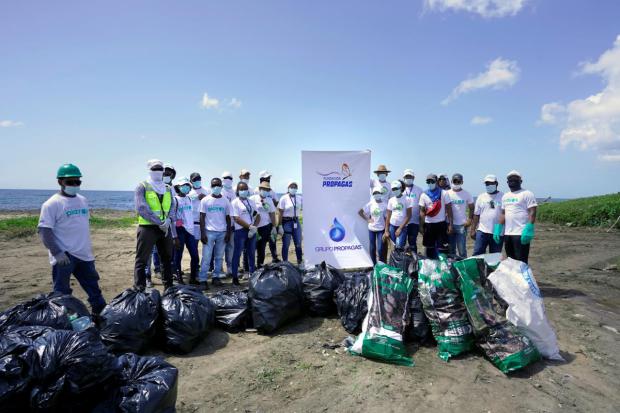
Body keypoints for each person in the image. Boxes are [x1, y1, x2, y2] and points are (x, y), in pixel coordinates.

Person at [37, 163, 107, 314]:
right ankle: (63, 319)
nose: (74, 185)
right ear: (60, 182)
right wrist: (57, 252)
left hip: (85, 254)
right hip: (65, 256)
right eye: (70, 182)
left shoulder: (82, 200)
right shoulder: (51, 204)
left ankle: (101, 315)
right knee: (61, 293)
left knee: (93, 288)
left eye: (78, 182)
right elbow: (44, 231)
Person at [133, 159, 179, 291]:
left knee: (166, 258)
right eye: (154, 169)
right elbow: (141, 208)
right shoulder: (142, 186)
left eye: (160, 169)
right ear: (149, 171)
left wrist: (169, 220)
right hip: (148, 228)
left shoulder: (168, 188)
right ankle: (139, 289)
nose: (158, 172)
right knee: (142, 259)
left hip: (165, 228)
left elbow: (172, 205)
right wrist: (159, 223)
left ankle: (169, 287)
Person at [496, 170, 537, 264]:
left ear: (520, 181)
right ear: (507, 182)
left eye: (515, 179)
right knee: (511, 260)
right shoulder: (505, 196)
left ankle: (522, 278)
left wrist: (530, 227)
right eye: (510, 179)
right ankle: (514, 278)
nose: (512, 181)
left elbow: (533, 211)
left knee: (521, 261)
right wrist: (498, 227)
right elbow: (503, 213)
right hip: (508, 234)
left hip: (521, 233)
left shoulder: (527, 193)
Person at [199, 177, 232, 289]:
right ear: (211, 187)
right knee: (206, 257)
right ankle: (203, 279)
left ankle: (216, 277)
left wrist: (228, 233)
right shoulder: (205, 200)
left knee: (219, 257)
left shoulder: (225, 200)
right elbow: (202, 217)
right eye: (214, 185)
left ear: (221, 187)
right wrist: (202, 233)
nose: (216, 187)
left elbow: (228, 218)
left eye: (218, 185)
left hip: (222, 233)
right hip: (209, 232)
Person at [231, 182, 260, 285]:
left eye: (245, 189)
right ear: (237, 191)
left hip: (251, 231)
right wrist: (249, 227)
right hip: (240, 231)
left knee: (251, 254)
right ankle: (235, 278)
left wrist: (254, 227)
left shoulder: (251, 202)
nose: (244, 191)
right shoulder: (234, 202)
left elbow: (258, 216)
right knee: (237, 254)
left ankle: (252, 276)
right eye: (241, 189)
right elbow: (236, 218)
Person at [419, 174, 453, 259]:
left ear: (436, 181)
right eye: (428, 181)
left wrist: (450, 225)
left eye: (432, 181)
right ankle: (430, 268)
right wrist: (421, 226)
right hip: (429, 225)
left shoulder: (444, 193)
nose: (430, 183)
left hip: (441, 224)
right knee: (429, 249)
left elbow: (449, 209)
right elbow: (422, 212)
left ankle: (443, 268)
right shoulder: (423, 195)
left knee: (443, 249)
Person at [173, 177, 199, 284]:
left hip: (190, 231)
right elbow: (173, 217)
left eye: (188, 185)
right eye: (184, 185)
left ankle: (193, 278)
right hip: (180, 230)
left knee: (195, 256)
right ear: (178, 187)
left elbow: (189, 215)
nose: (186, 187)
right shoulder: (175, 200)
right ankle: (179, 278)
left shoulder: (189, 199)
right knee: (178, 255)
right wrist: (177, 233)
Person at [470, 174, 504, 256]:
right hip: (482, 231)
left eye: (491, 183)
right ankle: (479, 269)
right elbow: (476, 215)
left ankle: (492, 269)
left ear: (496, 184)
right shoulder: (481, 197)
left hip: (498, 232)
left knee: (495, 256)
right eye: (487, 184)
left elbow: (505, 214)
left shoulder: (503, 196)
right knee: (477, 253)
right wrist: (472, 229)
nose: (489, 185)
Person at [250, 181, 278, 268]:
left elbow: (272, 214)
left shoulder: (269, 200)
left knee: (261, 248)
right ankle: (249, 268)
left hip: (265, 227)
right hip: (253, 227)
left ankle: (259, 265)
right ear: (259, 189)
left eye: (267, 190)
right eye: (264, 189)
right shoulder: (252, 199)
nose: (265, 191)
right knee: (250, 248)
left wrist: (274, 226)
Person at [254, 170, 281, 262]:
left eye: (269, 178)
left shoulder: (271, 191)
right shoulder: (254, 192)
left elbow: (275, 205)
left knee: (271, 242)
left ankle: (274, 257)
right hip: (257, 225)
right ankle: (254, 265)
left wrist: (274, 226)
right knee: (258, 246)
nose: (268, 179)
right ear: (261, 179)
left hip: (269, 223)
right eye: (266, 178)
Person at [446, 173, 474, 258]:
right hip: (449, 224)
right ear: (451, 181)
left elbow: (472, 207)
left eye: (459, 181)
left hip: (461, 225)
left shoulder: (467, 194)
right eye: (455, 181)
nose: (457, 183)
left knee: (462, 250)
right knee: (451, 249)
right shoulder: (447, 193)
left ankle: (463, 267)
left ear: (462, 182)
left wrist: (469, 220)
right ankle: (452, 267)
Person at [359, 185, 387, 264]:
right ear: (373, 194)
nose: (376, 194)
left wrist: (386, 230)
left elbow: (386, 218)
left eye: (378, 193)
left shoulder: (385, 205)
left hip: (381, 229)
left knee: (380, 248)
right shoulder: (371, 203)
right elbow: (360, 212)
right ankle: (374, 264)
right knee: (372, 248)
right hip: (371, 229)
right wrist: (367, 219)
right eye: (375, 193)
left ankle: (380, 264)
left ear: (381, 193)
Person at [277, 181, 303, 267]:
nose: (293, 188)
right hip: (286, 222)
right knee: (286, 244)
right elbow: (280, 212)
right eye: (292, 187)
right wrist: (280, 225)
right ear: (288, 188)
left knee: (298, 243)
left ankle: (300, 262)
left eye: (295, 187)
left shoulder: (299, 198)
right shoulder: (283, 198)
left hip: (296, 222)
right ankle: (285, 263)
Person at [384, 180, 411, 248]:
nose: (394, 190)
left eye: (396, 188)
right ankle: (394, 258)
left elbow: (409, 215)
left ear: (401, 188)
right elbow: (388, 216)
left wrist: (400, 228)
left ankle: (401, 258)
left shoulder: (407, 199)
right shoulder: (391, 200)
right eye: (393, 189)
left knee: (400, 246)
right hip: (392, 226)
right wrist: (386, 230)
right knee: (394, 246)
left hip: (402, 227)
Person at [403, 169, 423, 253]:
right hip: (402, 222)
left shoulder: (419, 190)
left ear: (413, 178)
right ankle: (402, 262)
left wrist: (422, 223)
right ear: (404, 178)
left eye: (410, 176)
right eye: (407, 176)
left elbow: (422, 206)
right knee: (401, 243)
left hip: (414, 222)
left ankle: (414, 262)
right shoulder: (400, 189)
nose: (408, 178)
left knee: (413, 243)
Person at [221, 171, 236, 274]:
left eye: (230, 178)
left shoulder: (234, 191)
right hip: (221, 225)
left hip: (232, 224)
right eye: (226, 178)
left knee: (231, 247)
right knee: (220, 248)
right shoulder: (220, 192)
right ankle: (219, 269)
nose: (228, 180)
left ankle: (229, 268)